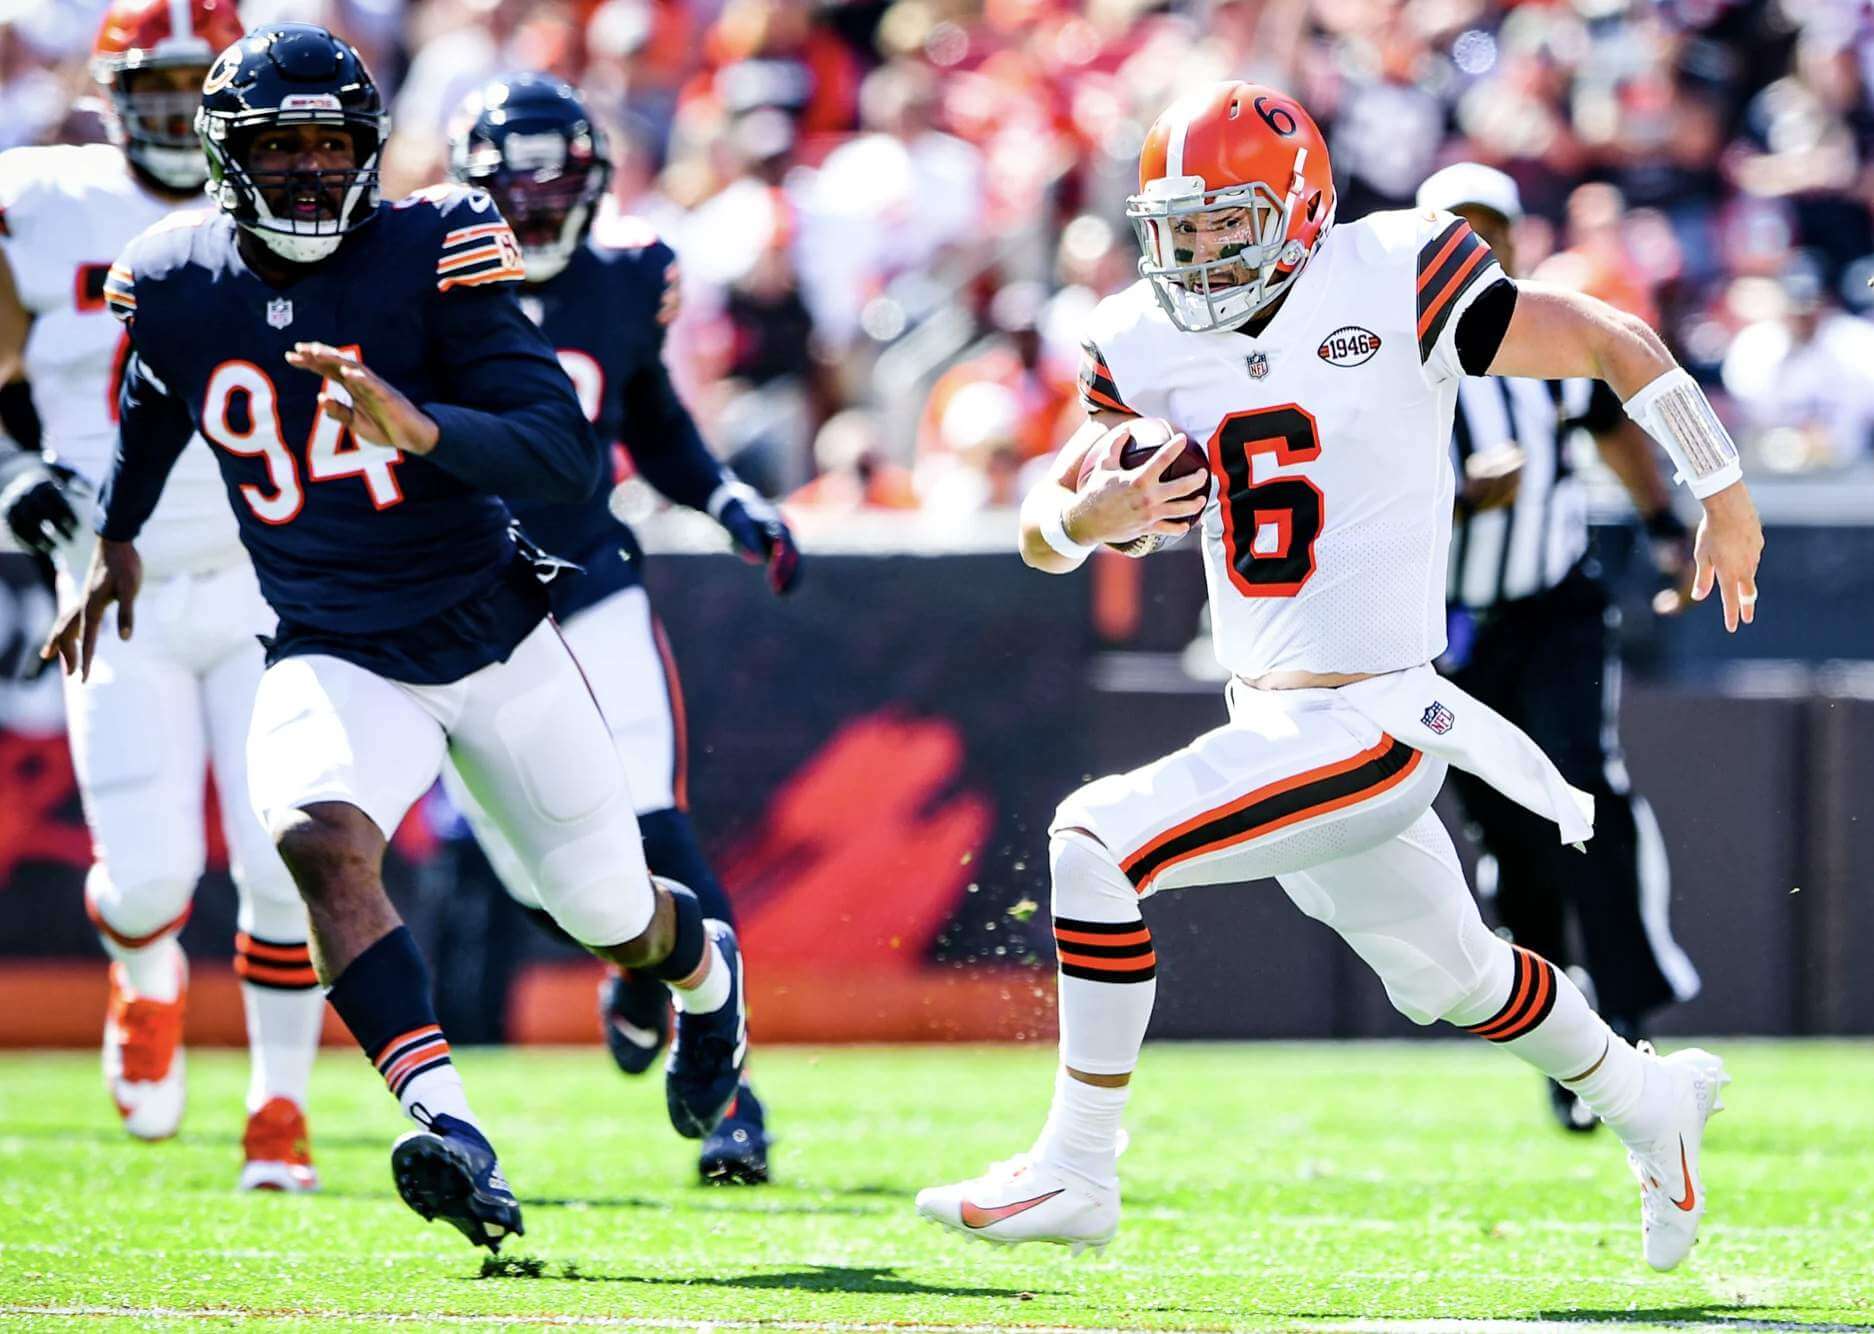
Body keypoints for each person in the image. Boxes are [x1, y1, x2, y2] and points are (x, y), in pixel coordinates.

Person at [915, 82, 1763, 1272]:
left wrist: (1718, 491)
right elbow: (1040, 528)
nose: (1203, 255)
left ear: (1303, 206)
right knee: (1460, 972)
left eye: (1229, 225)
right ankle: (1645, 1099)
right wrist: (1084, 512)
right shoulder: (1141, 337)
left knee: (1092, 842)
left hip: (1369, 716)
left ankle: (1077, 1164)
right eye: (1183, 230)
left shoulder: (1395, 269)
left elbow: (1608, 343)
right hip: (1273, 717)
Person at [44, 24, 748, 1251]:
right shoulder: (172, 275)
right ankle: (449, 1122)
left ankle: (707, 978)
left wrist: (420, 428)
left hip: (491, 634)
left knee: (605, 907)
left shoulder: (434, 246)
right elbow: (159, 393)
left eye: (332, 143)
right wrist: (115, 538)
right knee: (317, 836)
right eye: (282, 145)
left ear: (370, 148)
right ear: (228, 154)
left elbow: (561, 446)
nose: (312, 170)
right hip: (330, 640)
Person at [445, 72, 800, 1184]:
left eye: (560, 190)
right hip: (468, 603)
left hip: (590, 578)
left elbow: (651, 418)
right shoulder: (428, 280)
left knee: (654, 818)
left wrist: (729, 498)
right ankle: (641, 965)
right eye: (521, 192)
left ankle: (731, 1083)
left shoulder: (628, 275)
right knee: (533, 873)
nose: (540, 212)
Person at [0, 0, 326, 1191]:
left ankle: (278, 1107)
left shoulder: (289, 203)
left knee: (282, 850)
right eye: (159, 84)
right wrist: (11, 472)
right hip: (107, 577)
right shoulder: (38, 201)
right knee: (147, 878)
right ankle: (143, 983)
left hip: (261, 572)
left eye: (203, 86)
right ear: (110, 91)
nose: (180, 112)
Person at [1415, 162, 1702, 1133]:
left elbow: (1607, 422)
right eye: (1452, 230)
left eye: (1486, 230)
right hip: (1441, 625)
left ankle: (1623, 1005)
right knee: (1511, 837)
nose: (1472, 249)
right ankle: (1565, 1034)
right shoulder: (1382, 355)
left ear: (1511, 241)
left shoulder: (1540, 333)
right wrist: (1457, 500)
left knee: (1584, 783)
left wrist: (1664, 520)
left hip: (1551, 603)